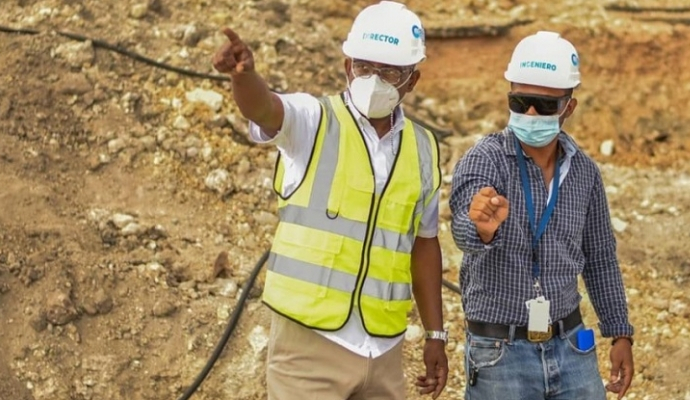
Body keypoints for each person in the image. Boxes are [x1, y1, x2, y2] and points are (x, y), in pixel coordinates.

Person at [212, 1, 448, 399]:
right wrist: (244, 78)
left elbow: (424, 243)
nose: (374, 79)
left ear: (413, 80)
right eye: (364, 67)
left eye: (390, 72)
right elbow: (266, 108)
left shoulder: (423, 148)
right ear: (346, 66)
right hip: (309, 348)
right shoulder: (313, 121)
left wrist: (436, 334)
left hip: (384, 348)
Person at [449, 31, 635, 400]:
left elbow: (599, 257)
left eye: (544, 105)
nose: (530, 113)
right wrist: (481, 229)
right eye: (520, 101)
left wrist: (620, 333)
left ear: (569, 107)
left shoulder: (584, 172)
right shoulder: (485, 159)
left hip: (572, 346)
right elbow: (465, 230)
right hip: (501, 354)